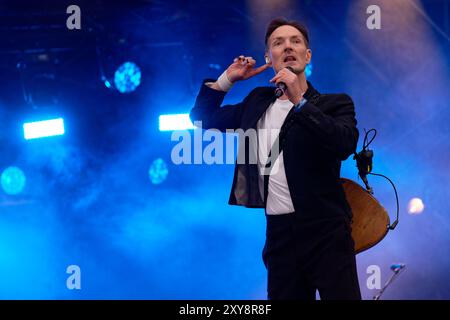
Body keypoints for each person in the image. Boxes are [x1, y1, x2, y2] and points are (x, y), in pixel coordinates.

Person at [190, 17, 361, 300]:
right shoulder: (258, 100)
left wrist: (300, 101)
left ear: (308, 56)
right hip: (280, 235)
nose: (288, 47)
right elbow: (200, 120)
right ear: (269, 58)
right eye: (278, 43)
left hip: (326, 230)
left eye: (296, 41)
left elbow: (343, 144)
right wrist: (227, 79)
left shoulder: (335, 103)